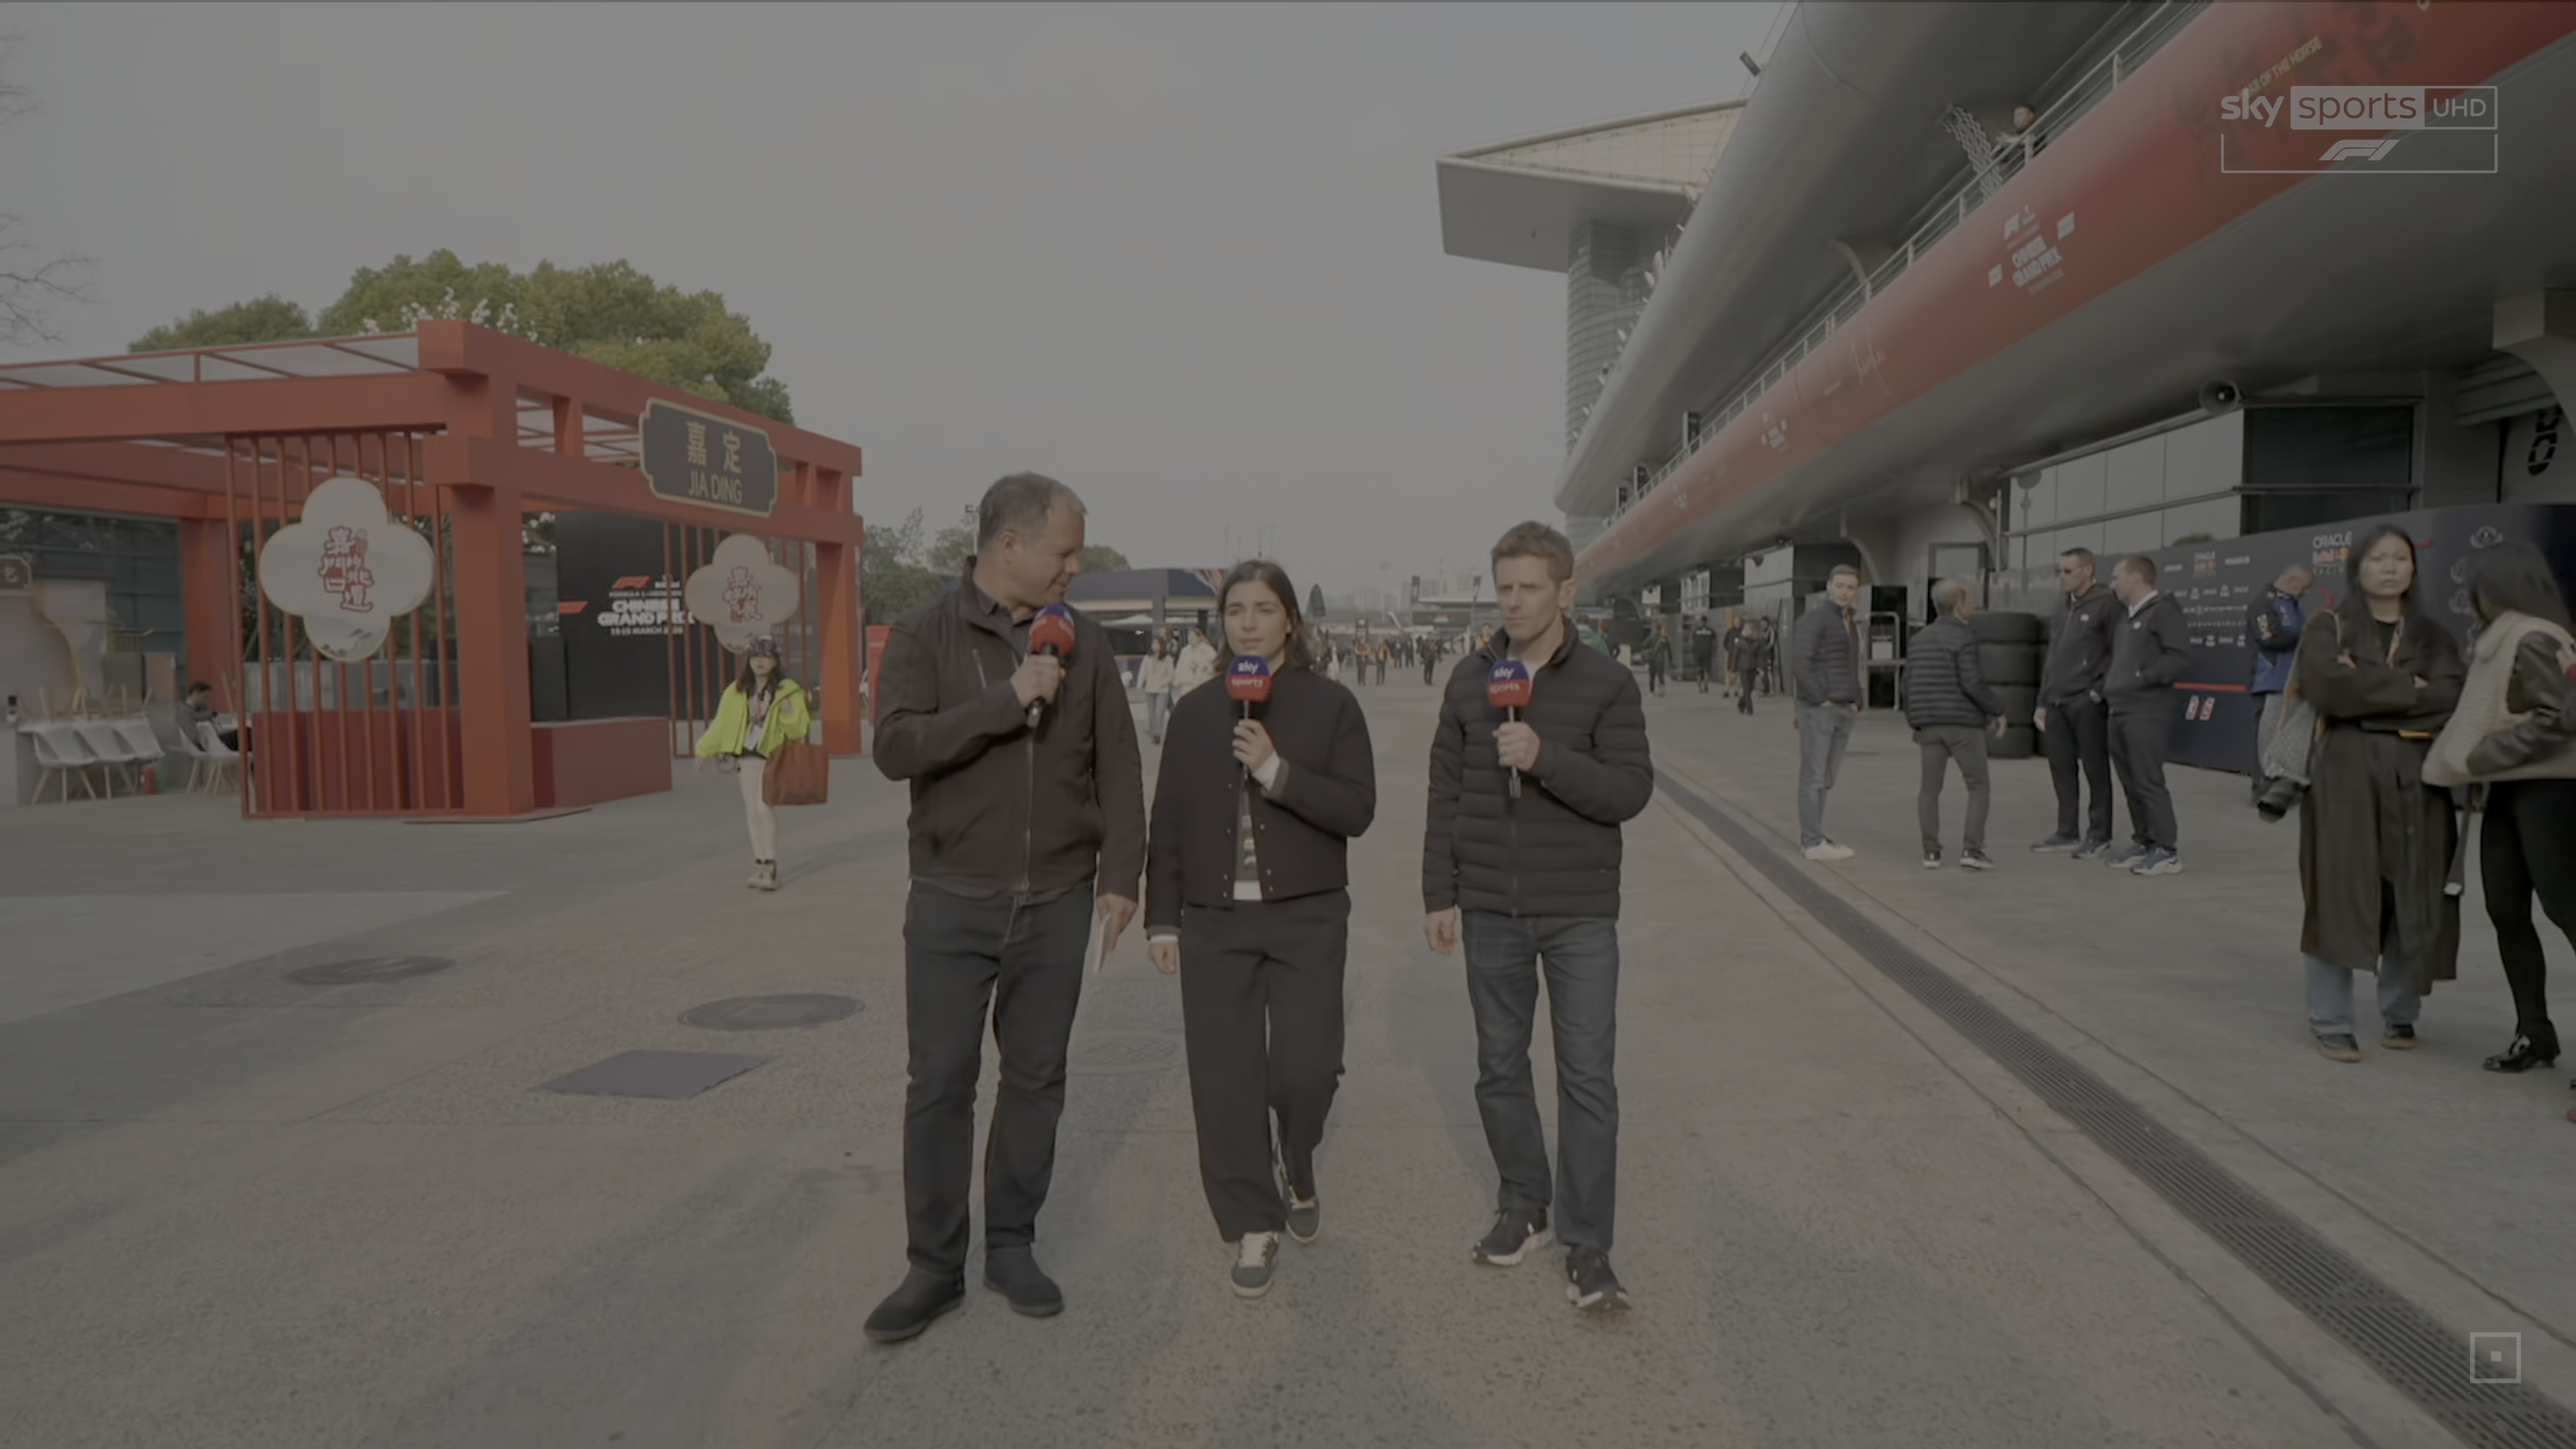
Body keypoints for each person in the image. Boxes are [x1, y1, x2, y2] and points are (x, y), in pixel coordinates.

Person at [863, 472, 1146, 1344]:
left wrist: (1122, 875)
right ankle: (933, 1266)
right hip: (952, 898)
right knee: (940, 1084)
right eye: (1066, 552)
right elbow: (896, 747)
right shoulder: (926, 634)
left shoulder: (1086, 645)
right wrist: (1006, 698)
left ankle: (1013, 1244)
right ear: (1010, 545)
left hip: (1058, 900)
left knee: (1036, 1080)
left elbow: (1119, 763)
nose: (1075, 569)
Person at [1424, 521, 1652, 1313]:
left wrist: (1544, 756)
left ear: (1565, 591)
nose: (1515, 602)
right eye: (1505, 588)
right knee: (1499, 1065)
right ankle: (1523, 1204)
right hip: (1490, 907)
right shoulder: (1469, 681)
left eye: (1530, 587)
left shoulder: (1607, 683)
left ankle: (1588, 1245)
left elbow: (1629, 791)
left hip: (1580, 911)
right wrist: (1438, 894)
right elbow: (1445, 794)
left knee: (1587, 1077)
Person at [1146, 560, 1375, 1299]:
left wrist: (1278, 773)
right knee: (1226, 1078)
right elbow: (1169, 821)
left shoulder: (1331, 705)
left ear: (1290, 622)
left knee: (1306, 1070)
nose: (1248, 623)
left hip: (1307, 915)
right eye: (1235, 610)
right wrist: (1162, 919)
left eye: (1264, 609)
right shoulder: (1195, 712)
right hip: (1215, 920)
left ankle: (1297, 1161)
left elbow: (1358, 810)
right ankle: (1253, 1220)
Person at [2291, 524, 2463, 1063]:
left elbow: (2450, 700)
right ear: (2357, 568)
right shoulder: (2330, 627)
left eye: (2400, 558)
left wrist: (2364, 693)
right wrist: (2408, 689)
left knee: (2414, 890)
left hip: (2419, 779)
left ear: (2414, 567)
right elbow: (2326, 689)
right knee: (2337, 892)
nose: (2390, 567)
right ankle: (2331, 1020)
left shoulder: (2433, 636)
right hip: (2345, 778)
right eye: (2378, 558)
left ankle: (2401, 1013)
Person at [2429, 541, 2576, 1077]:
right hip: (2508, 791)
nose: (2473, 595)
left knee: (2566, 910)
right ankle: (2534, 1032)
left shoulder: (2534, 636)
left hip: (2549, 790)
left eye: (2479, 584)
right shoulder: (2505, 637)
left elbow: (2558, 719)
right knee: (2506, 911)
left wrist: (2478, 757)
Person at [690, 636, 811, 891]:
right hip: (746, 757)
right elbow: (721, 724)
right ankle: (760, 863)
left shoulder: (787, 690)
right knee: (752, 813)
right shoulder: (737, 691)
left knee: (764, 807)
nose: (759, 662)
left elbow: (799, 729)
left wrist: (788, 711)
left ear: (775, 661)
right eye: (755, 657)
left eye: (765, 657)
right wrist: (704, 750)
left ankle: (771, 865)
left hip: (772, 757)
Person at [1905, 579, 2007, 870]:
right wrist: (1998, 710)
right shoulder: (1964, 637)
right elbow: (1972, 682)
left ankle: (1931, 852)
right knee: (1978, 785)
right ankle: (1972, 850)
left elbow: (1908, 683)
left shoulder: (1919, 639)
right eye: (1971, 600)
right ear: (1960, 605)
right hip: (1962, 724)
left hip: (1928, 724)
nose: (1975, 605)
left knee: (1929, 790)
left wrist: (1915, 719)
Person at [2102, 555, 2192, 876]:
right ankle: (2144, 841)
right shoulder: (2126, 618)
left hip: (2147, 710)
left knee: (2148, 780)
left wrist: (2143, 678)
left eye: (2117, 577)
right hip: (2119, 708)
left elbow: (2178, 656)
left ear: (2136, 578)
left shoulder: (2163, 611)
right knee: (2130, 781)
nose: (2113, 584)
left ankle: (2167, 850)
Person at [2033, 547, 2120, 858]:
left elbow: (2119, 652)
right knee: (2061, 768)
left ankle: (2099, 834)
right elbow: (2052, 658)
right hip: (2057, 701)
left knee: (2096, 770)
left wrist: (2097, 692)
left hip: (2087, 702)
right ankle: (2067, 831)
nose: (2062, 577)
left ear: (2087, 571)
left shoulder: (2107, 604)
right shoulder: (2063, 608)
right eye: (2060, 571)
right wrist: (2043, 700)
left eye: (2068, 571)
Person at [1794, 566, 1866, 861]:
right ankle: (1812, 841)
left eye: (1850, 587)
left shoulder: (1849, 622)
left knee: (1826, 777)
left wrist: (1857, 700)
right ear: (1829, 586)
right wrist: (1819, 698)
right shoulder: (1814, 620)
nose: (1844, 592)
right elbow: (1801, 661)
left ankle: (1816, 838)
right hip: (1820, 709)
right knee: (1813, 776)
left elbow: (1851, 664)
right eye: (1840, 585)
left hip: (1844, 707)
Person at [2248, 564, 2316, 810]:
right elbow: (2268, 638)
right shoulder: (2264, 603)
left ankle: (2281, 787)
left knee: (2285, 736)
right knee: (2267, 736)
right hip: (2271, 680)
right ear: (2293, 582)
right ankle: (2262, 788)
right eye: (2305, 587)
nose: (2306, 593)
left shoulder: (2291, 604)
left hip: (2292, 681)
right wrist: (2304, 635)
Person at [1140, 635, 1177, 745]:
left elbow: (1171, 675)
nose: (1154, 646)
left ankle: (1157, 735)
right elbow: (1143, 672)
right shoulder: (1148, 658)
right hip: (1150, 689)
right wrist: (1140, 685)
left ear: (1162, 646)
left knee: (1159, 712)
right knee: (1151, 714)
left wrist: (1163, 683)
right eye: (1153, 644)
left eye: (1157, 644)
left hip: (1162, 690)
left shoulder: (1168, 659)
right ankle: (1153, 733)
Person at [182, 680, 237, 751]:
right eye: (205, 697)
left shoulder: (199, 709)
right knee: (240, 735)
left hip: (212, 740)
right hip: (206, 745)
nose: (206, 701)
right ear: (196, 693)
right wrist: (209, 712)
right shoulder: (186, 711)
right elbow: (198, 719)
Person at [1175, 628, 1220, 699]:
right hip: (1187, 684)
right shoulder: (1185, 651)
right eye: (1189, 636)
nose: (1190, 638)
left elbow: (1216, 666)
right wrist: (1177, 681)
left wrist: (1204, 667)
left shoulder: (1208, 650)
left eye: (1193, 636)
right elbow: (1179, 667)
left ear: (1199, 638)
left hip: (1202, 685)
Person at [1691, 616, 1719, 694]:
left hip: (1698, 653)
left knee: (1699, 671)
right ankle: (1705, 685)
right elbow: (1715, 642)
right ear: (1707, 622)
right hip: (1707, 653)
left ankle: (1700, 688)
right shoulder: (1711, 631)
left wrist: (1693, 652)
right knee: (1706, 671)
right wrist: (1714, 652)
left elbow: (1692, 642)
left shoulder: (1696, 631)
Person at [1643, 624, 1671, 696]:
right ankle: (1661, 691)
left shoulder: (1651, 637)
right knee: (1661, 675)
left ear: (1655, 629)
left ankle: (1651, 691)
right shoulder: (1664, 638)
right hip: (1660, 659)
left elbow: (1644, 645)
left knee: (1652, 675)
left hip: (1652, 659)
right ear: (1661, 629)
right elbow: (1669, 649)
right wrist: (1671, 659)